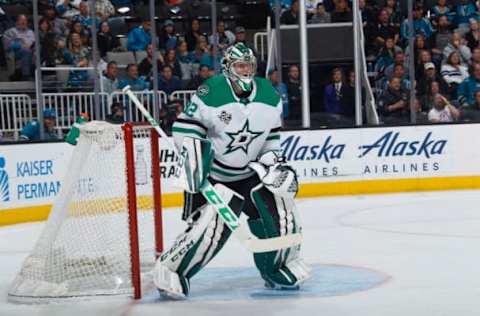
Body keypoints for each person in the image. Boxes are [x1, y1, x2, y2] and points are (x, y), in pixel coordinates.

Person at [154, 42, 310, 299]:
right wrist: (194, 156)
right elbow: (186, 128)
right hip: (215, 177)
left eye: (248, 65)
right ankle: (172, 270)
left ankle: (277, 268)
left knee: (281, 212)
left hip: (249, 174)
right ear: (228, 68)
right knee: (210, 230)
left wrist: (272, 165)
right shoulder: (211, 90)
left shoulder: (269, 93)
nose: (245, 71)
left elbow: (271, 136)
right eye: (240, 66)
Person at [3, 15, 35, 81]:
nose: (23, 22)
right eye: (21, 20)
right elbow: (7, 45)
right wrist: (20, 45)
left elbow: (33, 42)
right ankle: (26, 76)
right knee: (26, 51)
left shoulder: (30, 32)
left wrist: (28, 45)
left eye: (25, 20)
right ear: (17, 21)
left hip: (30, 51)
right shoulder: (10, 31)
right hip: (15, 52)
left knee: (29, 51)